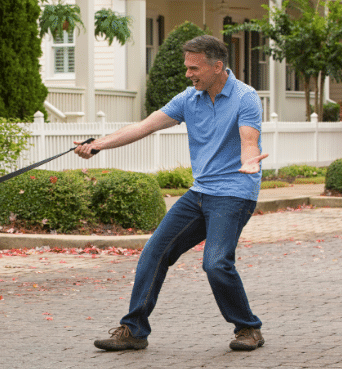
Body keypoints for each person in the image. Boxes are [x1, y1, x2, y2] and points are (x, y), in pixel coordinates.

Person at [74, 35, 269, 351]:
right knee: (155, 250)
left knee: (216, 262)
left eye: (195, 68)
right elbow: (144, 126)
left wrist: (249, 160)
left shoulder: (245, 98)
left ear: (217, 66)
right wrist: (98, 145)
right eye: (187, 68)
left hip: (234, 192)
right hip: (200, 192)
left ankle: (248, 328)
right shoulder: (189, 99)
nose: (189, 74)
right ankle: (134, 330)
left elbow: (249, 139)